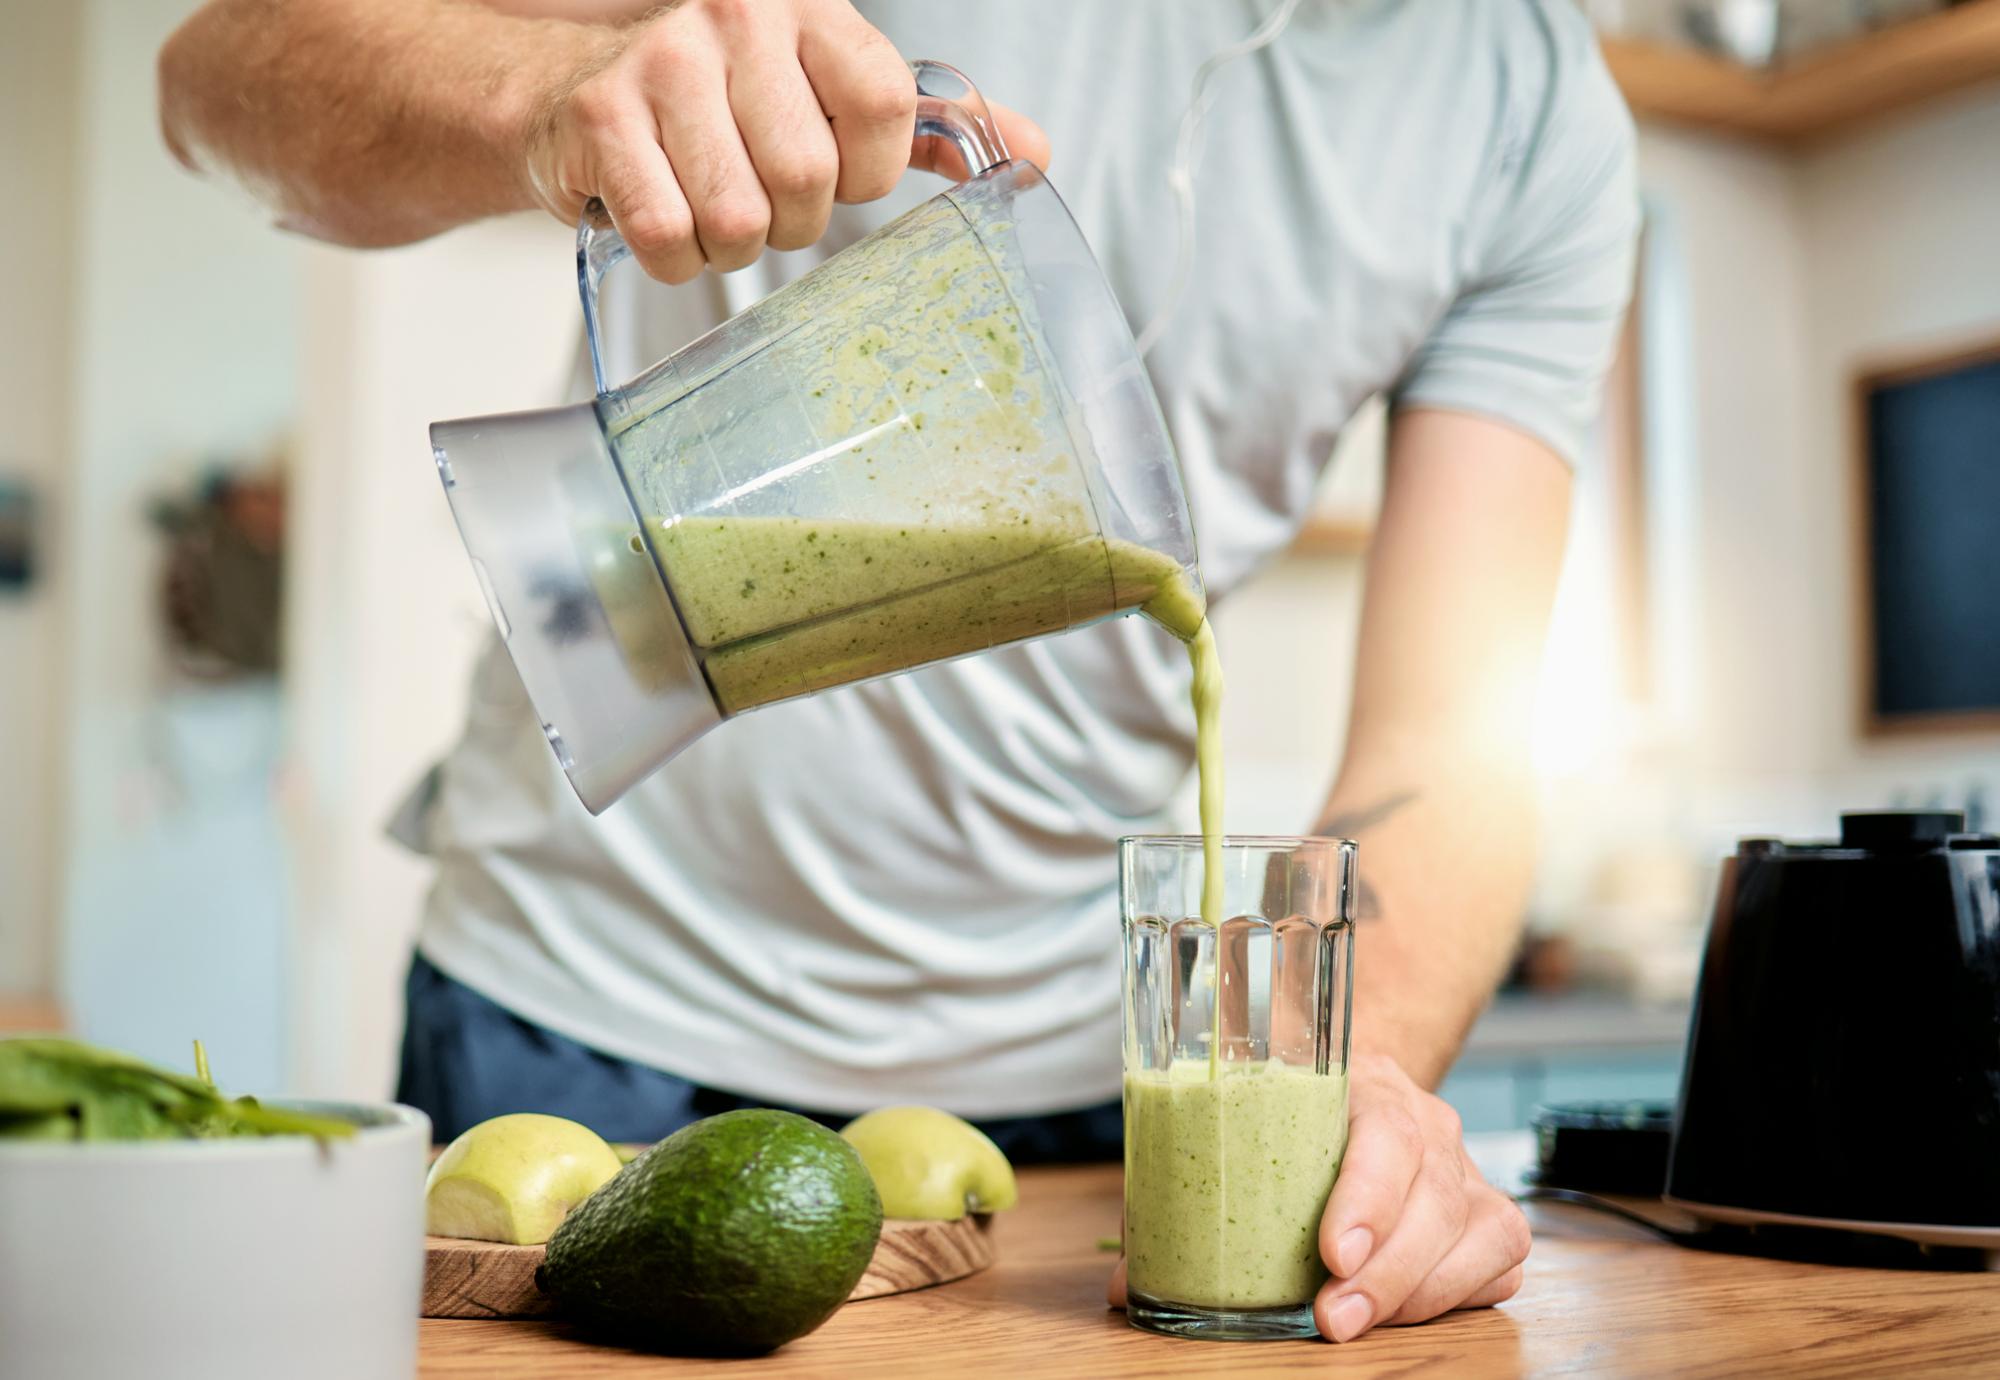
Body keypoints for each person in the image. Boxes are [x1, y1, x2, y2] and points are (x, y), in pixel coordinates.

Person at [159, 0, 1636, 1343]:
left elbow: (1453, 745)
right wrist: (550, 92)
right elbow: (216, 86)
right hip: (588, 1022)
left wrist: (1349, 1092)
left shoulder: (1529, 103)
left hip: (1075, 1106)